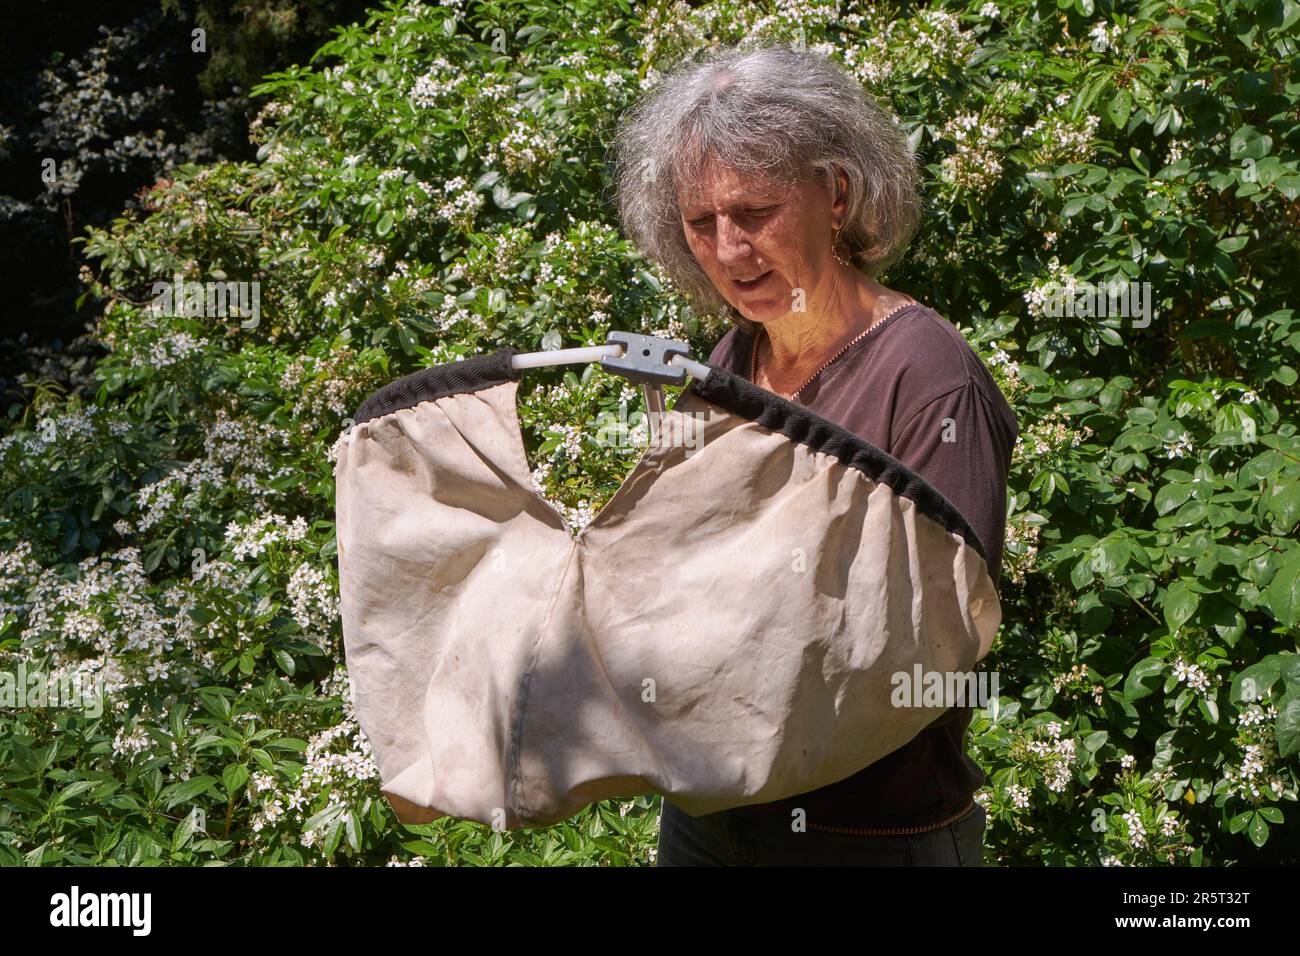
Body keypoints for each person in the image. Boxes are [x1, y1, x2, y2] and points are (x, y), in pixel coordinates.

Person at [610, 41, 1018, 866]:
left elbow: (937, 636)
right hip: (707, 817)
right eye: (700, 223)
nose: (728, 251)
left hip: (869, 835)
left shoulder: (930, 378)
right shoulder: (724, 368)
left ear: (835, 195)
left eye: (754, 212)